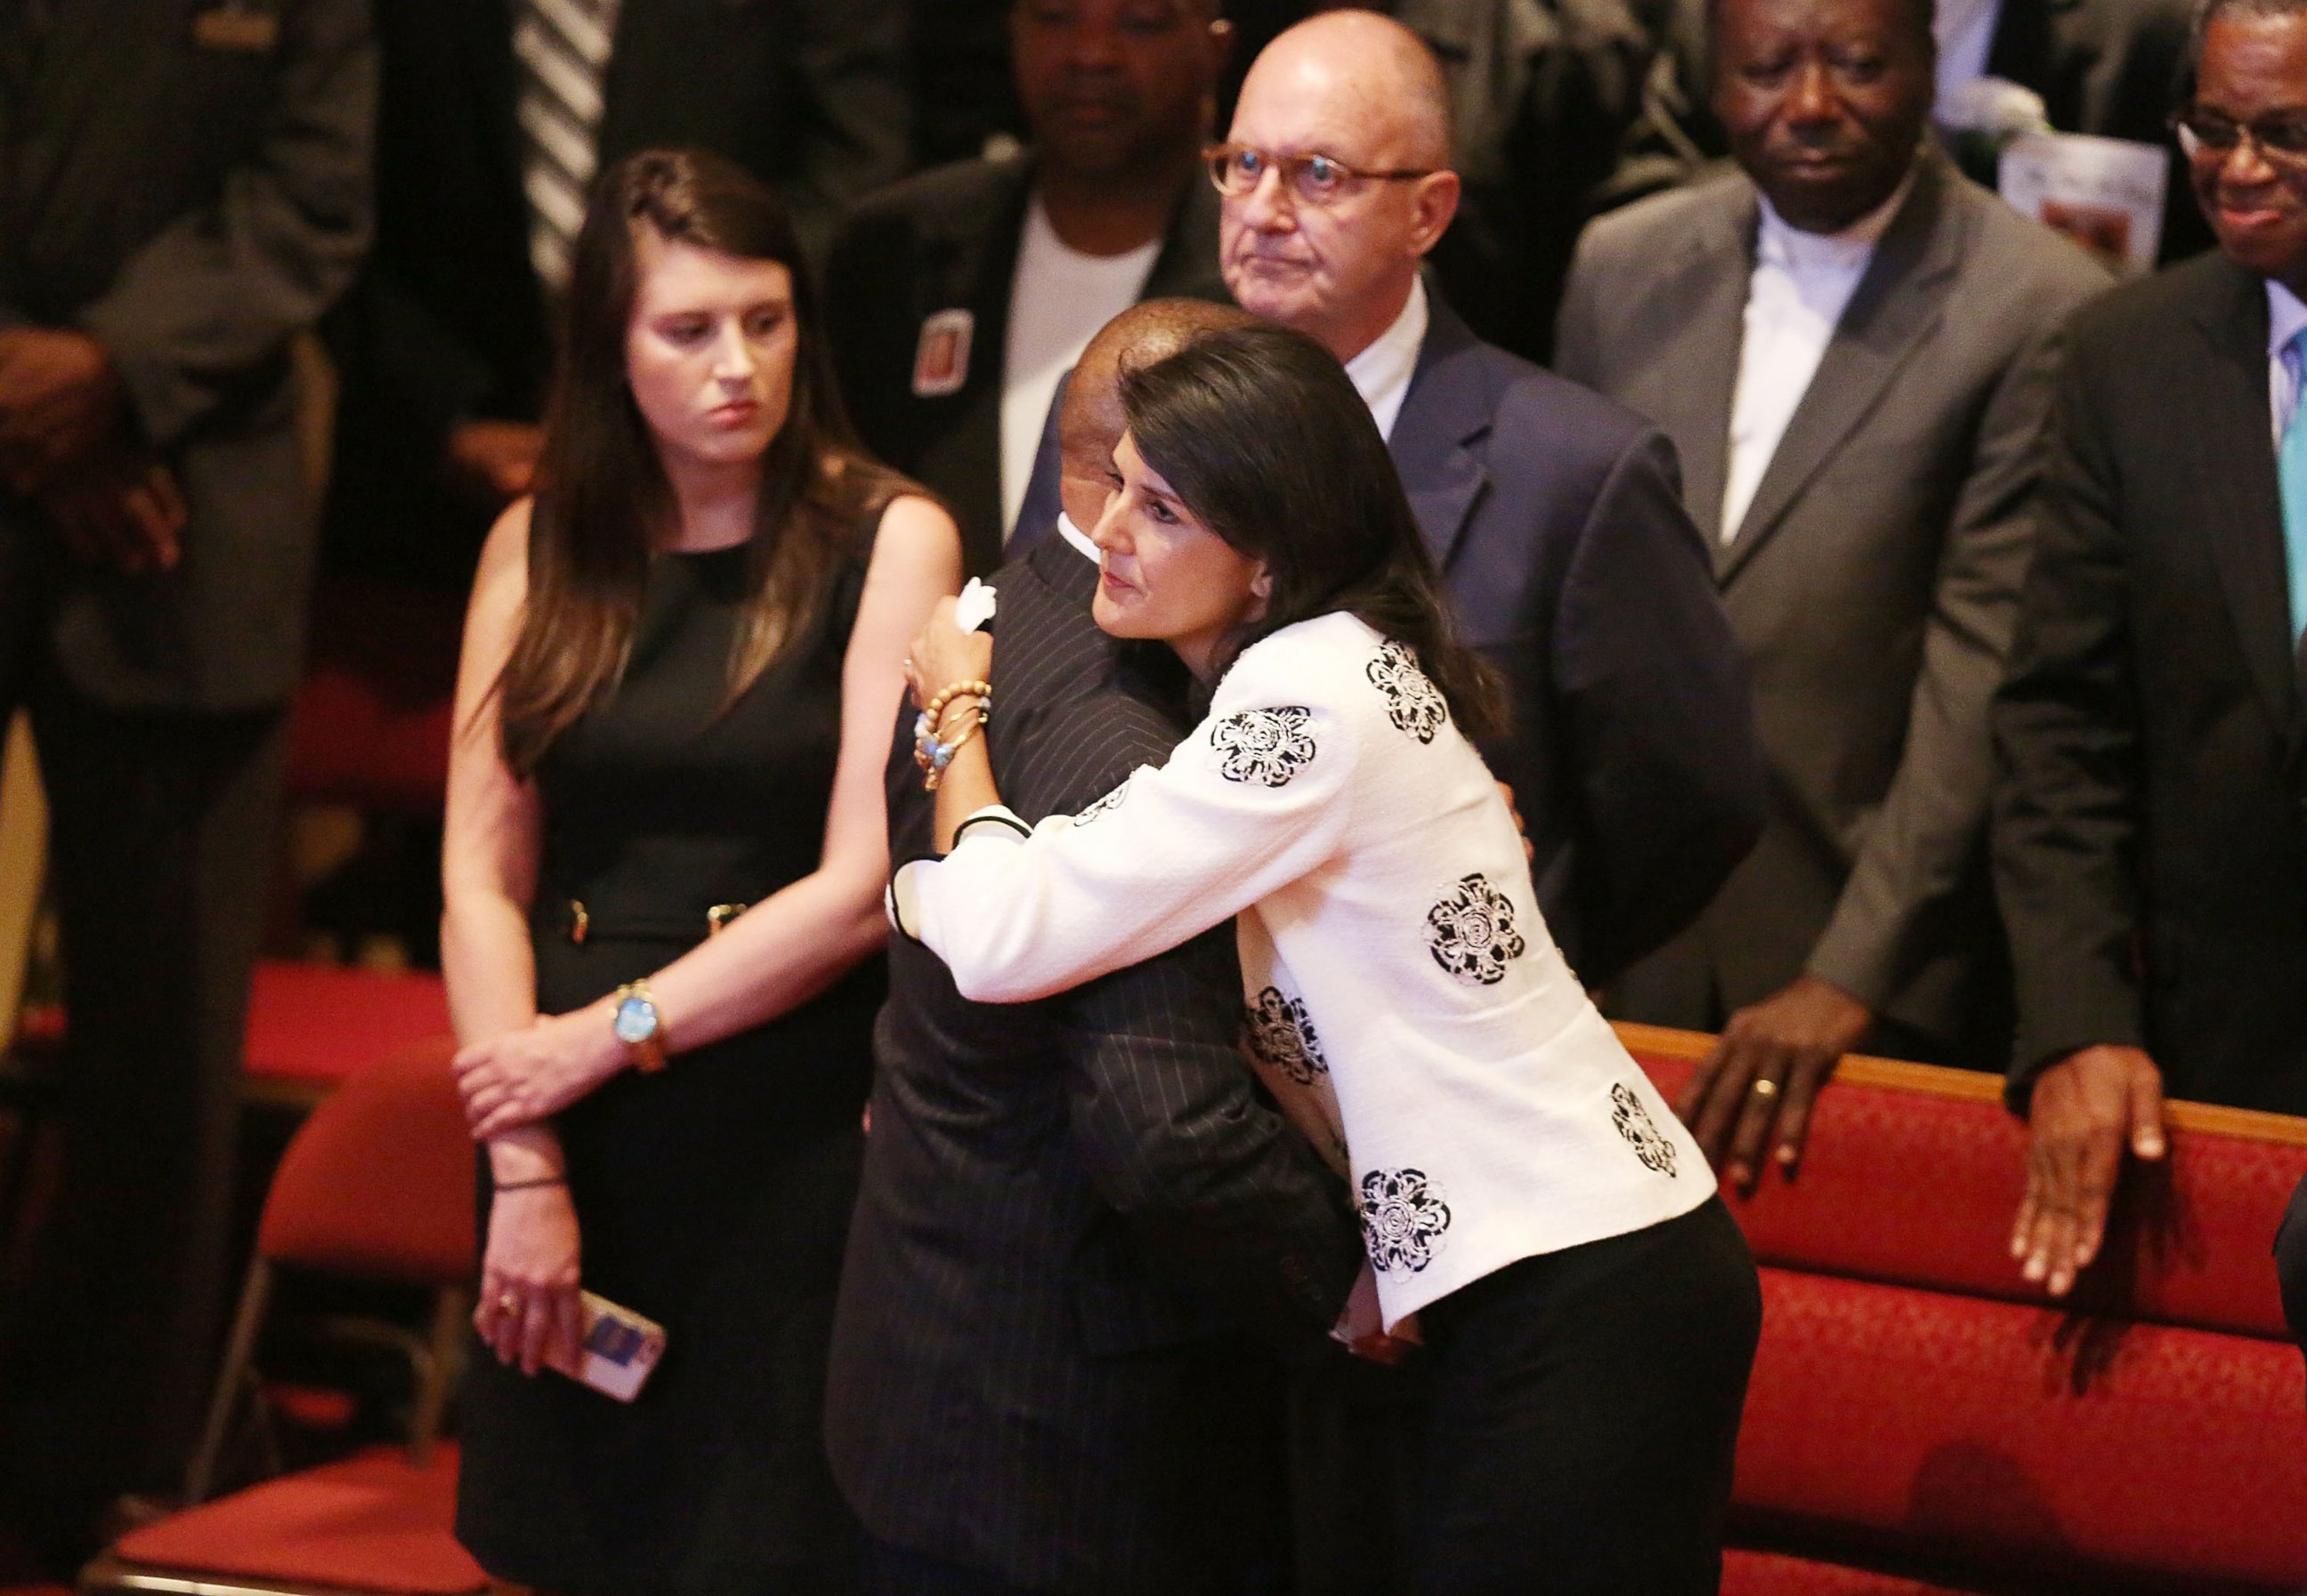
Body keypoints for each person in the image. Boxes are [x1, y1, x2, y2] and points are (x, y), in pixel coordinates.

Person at [893, 322, 1762, 1595]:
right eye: (1119, 482)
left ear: (1267, 565)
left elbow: (1004, 935)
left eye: (1166, 510)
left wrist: (955, 719)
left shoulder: (1304, 706)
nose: (1112, 530)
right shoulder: (1314, 673)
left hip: (1580, 1279)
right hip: (1542, 1267)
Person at [438, 149, 959, 1593]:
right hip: (552, 1110)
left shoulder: (886, 535)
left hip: (778, 1101)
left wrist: (599, 1042)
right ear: (610, 346)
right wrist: (525, 1153)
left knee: (760, 1543)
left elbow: (861, 883)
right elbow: (480, 875)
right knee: (565, 1540)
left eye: (768, 320)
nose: (739, 366)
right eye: (688, 330)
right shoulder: (536, 544)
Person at [825, 297, 1366, 1596]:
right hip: (1073, 1435)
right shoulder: (1136, 728)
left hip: (937, 1353)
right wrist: (1344, 1281)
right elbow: (1163, 1127)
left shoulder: (998, 618)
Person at [1556, 0, 2109, 1188]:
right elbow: (1567, 612)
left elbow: (1985, 677)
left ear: (1926, 69)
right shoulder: (1622, 263)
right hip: (1611, 956)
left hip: (1853, 971)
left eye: (1858, 63)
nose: (1810, 104)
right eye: (1766, 67)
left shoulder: (2039, 304)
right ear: (1711, 78)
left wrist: (1853, 974)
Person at [0, 0, 373, 1554]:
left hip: (190, 489)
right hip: (74, 437)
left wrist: (111, 375)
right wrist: (29, 400)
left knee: (161, 1054)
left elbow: (311, 197)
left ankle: (102, 1486)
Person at [1212, 9, 1765, 991]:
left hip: (1449, 1050)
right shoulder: (1125, 416)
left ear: (1427, 212)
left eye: (1319, 175)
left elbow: (1691, 805)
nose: (1263, 208)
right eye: (1244, 163)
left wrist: (1525, 946)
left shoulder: (1576, 473)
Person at [1992, 0, 2307, 1301]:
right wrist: (2076, 1020)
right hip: (2208, 1060)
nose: (2236, 168)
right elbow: (2059, 726)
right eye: (2211, 128)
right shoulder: (2131, 356)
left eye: (2286, 133)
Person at [323, 0, 910, 591]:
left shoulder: (898, 540)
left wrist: (719, 340)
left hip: (751, 503)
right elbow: (337, 202)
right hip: (439, 496)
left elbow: (857, 177)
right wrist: (446, 416)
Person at [824, 0, 1236, 573]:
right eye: (1054, 17)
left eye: (1140, 22)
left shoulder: (1265, 280)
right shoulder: (892, 251)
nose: (1091, 55)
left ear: (1215, 47)